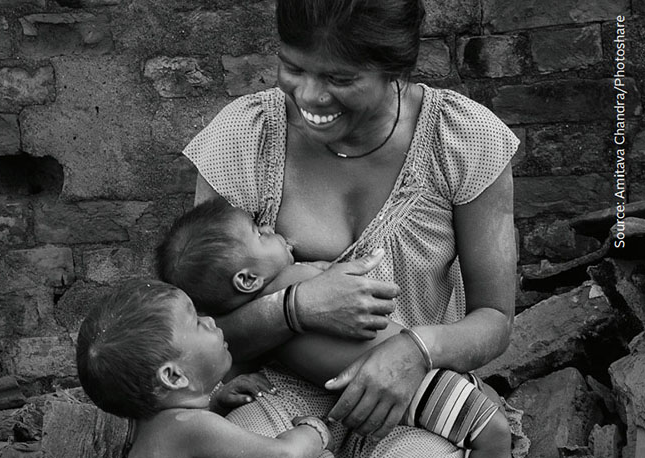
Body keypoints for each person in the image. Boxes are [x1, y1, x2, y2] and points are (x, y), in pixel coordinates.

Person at [180, 0, 519, 456]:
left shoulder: (462, 138)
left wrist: (416, 351)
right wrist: (295, 307)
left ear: (394, 70)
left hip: (414, 393)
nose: (309, 96)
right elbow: (197, 327)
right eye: (292, 68)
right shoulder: (245, 137)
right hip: (278, 387)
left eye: (340, 79)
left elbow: (494, 321)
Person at [156, 197, 510, 458]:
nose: (268, 227)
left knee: (491, 431)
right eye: (258, 234)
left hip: (413, 379)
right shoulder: (276, 295)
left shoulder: (285, 289)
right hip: (416, 390)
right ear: (247, 279)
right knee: (488, 431)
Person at [76, 279, 334, 458]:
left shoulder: (154, 432)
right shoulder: (191, 427)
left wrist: (217, 404)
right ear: (174, 376)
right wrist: (315, 430)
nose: (210, 321)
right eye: (197, 322)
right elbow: (286, 454)